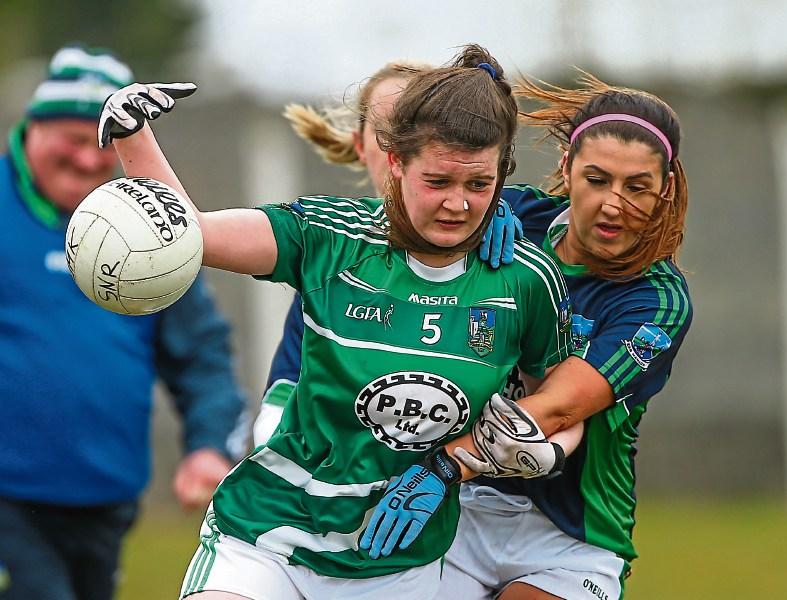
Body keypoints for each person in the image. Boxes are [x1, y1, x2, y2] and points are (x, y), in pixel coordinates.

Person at [98, 44, 578, 600]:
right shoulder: (331, 238)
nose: (458, 204)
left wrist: (533, 451)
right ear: (395, 164)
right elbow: (191, 235)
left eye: (478, 185)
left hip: (400, 562)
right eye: (439, 182)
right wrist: (134, 137)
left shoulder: (526, 280)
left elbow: (559, 408)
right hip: (268, 535)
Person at [0, 44, 248, 600]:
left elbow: (201, 350)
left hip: (106, 496)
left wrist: (209, 444)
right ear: (33, 128)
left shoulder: (149, 231)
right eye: (72, 139)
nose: (89, 160)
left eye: (102, 145)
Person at [438, 74, 693, 600]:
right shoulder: (510, 218)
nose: (613, 205)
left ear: (664, 189)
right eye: (597, 179)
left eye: (637, 187)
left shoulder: (656, 301)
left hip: (569, 535)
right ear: (566, 169)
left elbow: (553, 409)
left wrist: (437, 468)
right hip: (459, 514)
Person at [255, 59, 521, 446]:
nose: (404, 141)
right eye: (388, 131)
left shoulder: (505, 237)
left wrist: (513, 207)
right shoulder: (333, 260)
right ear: (363, 146)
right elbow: (283, 398)